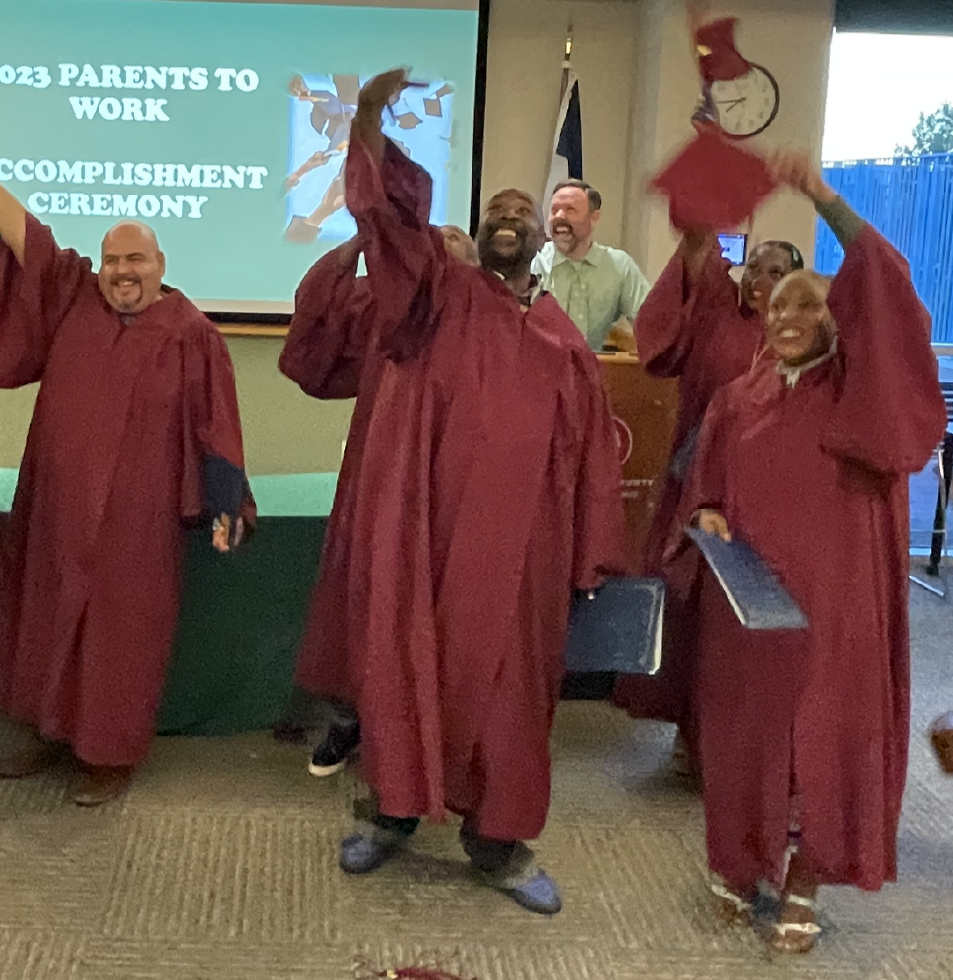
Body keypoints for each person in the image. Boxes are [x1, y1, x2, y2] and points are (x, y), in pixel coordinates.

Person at [328, 71, 625, 915]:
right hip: (425, 536)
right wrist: (370, 120)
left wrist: (588, 553)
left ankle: (497, 844)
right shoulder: (438, 299)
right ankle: (391, 816)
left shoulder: (564, 342)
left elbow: (591, 458)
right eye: (495, 208)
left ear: (543, 237)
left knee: (509, 699)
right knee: (403, 673)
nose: (507, 217)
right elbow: (390, 222)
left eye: (521, 212)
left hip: (518, 560)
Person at [0, 101, 253, 807]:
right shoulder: (74, 300)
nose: (123, 271)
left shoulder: (193, 335)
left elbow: (218, 427)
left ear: (162, 263)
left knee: (120, 638)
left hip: (137, 523)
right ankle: (45, 730)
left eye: (137, 259)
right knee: (42, 616)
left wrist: (226, 503)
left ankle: (109, 752)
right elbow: (22, 233)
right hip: (58, 507)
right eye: (113, 260)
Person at [683, 155, 945, 952]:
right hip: (752, 611)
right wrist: (708, 512)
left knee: (822, 743)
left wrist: (826, 199)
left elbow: (886, 289)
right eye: (778, 303)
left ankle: (805, 876)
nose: (791, 313)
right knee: (742, 737)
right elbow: (706, 487)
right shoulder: (740, 397)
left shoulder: (862, 395)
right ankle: (738, 861)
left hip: (835, 608)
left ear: (839, 320)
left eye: (811, 302)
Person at [280, 161, 480, 777]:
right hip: (376, 480)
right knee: (355, 602)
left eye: (451, 251)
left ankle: (427, 744)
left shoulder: (490, 326)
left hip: (454, 496)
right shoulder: (383, 308)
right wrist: (360, 242)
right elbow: (314, 338)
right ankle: (347, 723)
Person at [614, 228, 803, 776]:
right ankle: (690, 735)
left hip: (770, 499)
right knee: (694, 609)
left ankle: (755, 746)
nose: (758, 281)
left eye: (774, 271)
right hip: (700, 487)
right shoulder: (720, 318)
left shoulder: (805, 338)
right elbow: (690, 282)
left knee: (757, 619)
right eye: (753, 269)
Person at [533, 179, 651, 350]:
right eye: (554, 210)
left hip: (593, 371)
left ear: (594, 218)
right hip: (538, 370)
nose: (559, 217)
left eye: (570, 210)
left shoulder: (618, 266)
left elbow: (651, 323)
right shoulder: (533, 260)